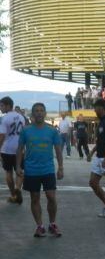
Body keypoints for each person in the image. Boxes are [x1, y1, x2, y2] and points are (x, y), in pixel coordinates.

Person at [16, 103, 63, 237]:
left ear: (45, 113)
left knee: (51, 197)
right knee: (34, 198)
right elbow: (19, 149)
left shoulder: (52, 130)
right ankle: (39, 226)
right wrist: (18, 166)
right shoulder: (26, 130)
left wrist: (60, 167)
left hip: (48, 169)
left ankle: (52, 224)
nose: (39, 113)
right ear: (32, 114)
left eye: (41, 110)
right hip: (31, 170)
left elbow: (58, 150)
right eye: (36, 111)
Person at [0, 96, 27, 204]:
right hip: (19, 148)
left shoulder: (4, 118)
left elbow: (2, 136)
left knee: (8, 172)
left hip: (6, 149)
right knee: (19, 170)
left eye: (1, 106)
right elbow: (24, 133)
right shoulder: (21, 117)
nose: (0, 108)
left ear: (7, 106)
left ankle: (13, 194)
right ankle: (18, 188)